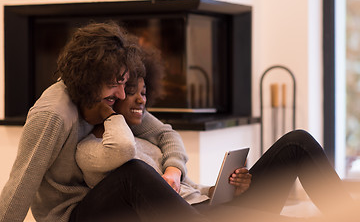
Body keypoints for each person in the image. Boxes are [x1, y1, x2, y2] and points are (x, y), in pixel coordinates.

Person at [75, 46, 358, 222]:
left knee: (298, 141)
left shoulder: (147, 138)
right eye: (131, 92)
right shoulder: (90, 149)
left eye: (144, 93)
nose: (140, 100)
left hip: (210, 208)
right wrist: (109, 114)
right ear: (111, 95)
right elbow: (123, 152)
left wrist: (225, 190)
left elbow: (189, 188)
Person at [0, 21, 201, 222]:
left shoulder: (110, 98)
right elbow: (20, 185)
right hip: (69, 215)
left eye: (124, 84)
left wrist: (174, 170)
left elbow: (165, 134)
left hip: (109, 202)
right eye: (115, 84)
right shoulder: (53, 115)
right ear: (90, 79)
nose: (122, 94)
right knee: (133, 174)